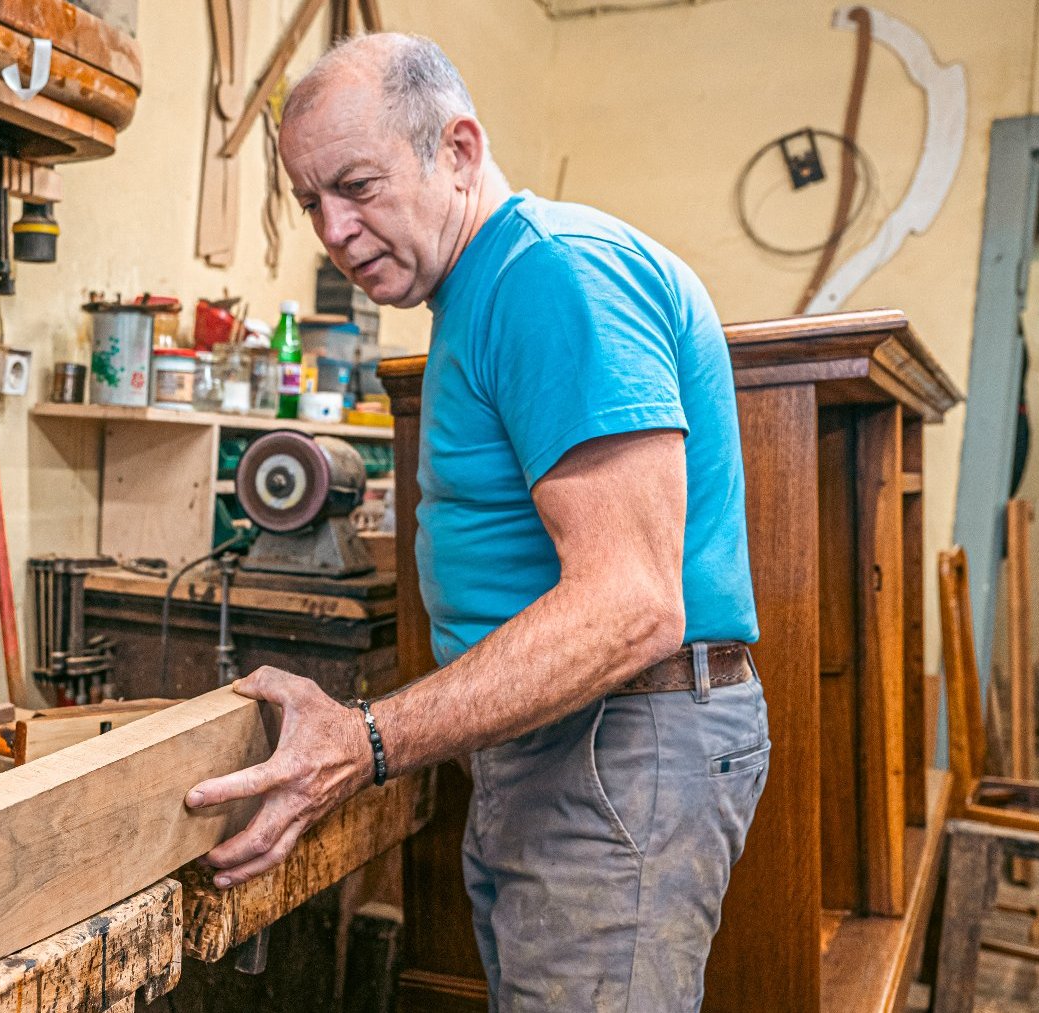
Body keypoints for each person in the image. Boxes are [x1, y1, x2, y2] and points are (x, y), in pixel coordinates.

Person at [183, 32, 769, 1011]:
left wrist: (363, 738)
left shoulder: (550, 275)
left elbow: (630, 603)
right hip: (562, 744)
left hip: (615, 742)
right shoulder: (481, 287)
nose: (333, 226)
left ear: (456, 148)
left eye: (356, 185)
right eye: (308, 201)